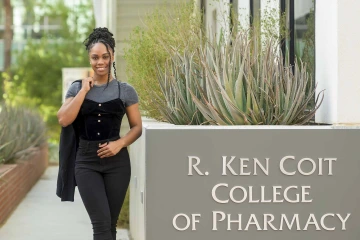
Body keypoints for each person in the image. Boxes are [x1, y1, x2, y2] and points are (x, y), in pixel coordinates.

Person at [56, 27, 142, 240]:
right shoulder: (77, 88)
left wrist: (119, 144)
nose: (100, 62)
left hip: (118, 163)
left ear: (112, 55)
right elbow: (63, 119)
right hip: (86, 162)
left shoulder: (126, 90)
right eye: (95, 57)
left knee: (109, 225)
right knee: (101, 225)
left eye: (105, 56)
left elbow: (137, 127)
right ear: (89, 58)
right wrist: (84, 90)